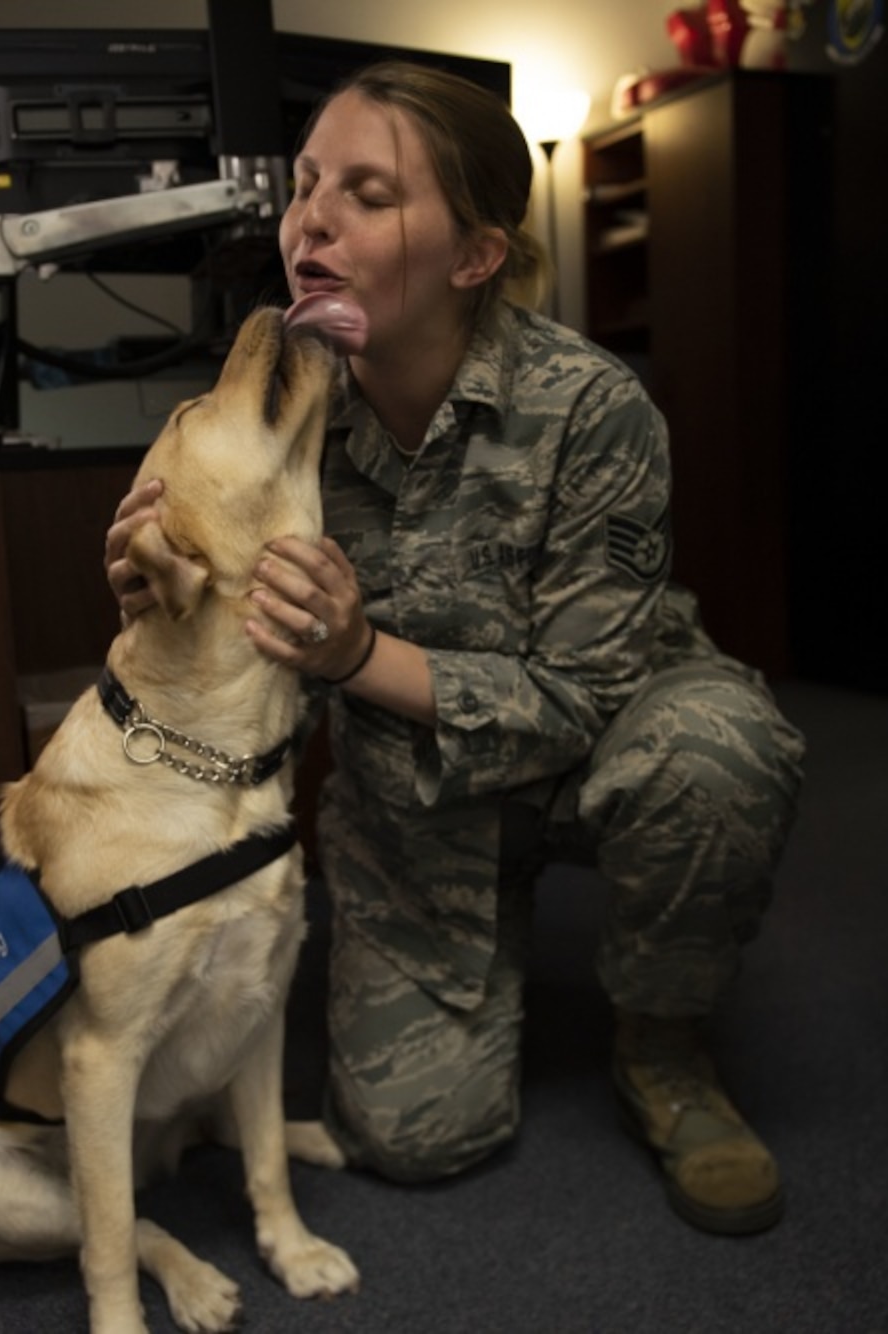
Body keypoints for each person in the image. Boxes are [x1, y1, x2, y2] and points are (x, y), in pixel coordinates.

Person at [105, 61, 806, 1236]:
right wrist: (153, 581)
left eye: (367, 194)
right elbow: (210, 643)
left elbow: (580, 696)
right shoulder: (280, 404)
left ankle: (664, 1045)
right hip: (414, 802)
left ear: (474, 256)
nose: (309, 219)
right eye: (306, 182)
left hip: (600, 747)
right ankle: (480, 948)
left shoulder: (592, 409)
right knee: (413, 1140)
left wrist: (350, 653)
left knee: (718, 752)